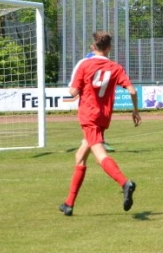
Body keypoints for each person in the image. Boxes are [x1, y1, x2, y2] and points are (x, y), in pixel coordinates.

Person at [59, 31, 141, 216]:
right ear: (109, 48)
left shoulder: (85, 65)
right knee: (80, 156)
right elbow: (132, 91)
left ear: (92, 47)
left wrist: (74, 85)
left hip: (89, 116)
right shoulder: (115, 67)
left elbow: (73, 92)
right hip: (103, 117)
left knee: (100, 155)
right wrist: (135, 111)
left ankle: (124, 183)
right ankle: (69, 204)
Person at [76, 50, 115, 152]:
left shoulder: (86, 64)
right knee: (93, 124)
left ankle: (96, 141)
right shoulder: (86, 64)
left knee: (95, 124)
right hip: (91, 102)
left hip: (96, 101)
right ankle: (98, 143)